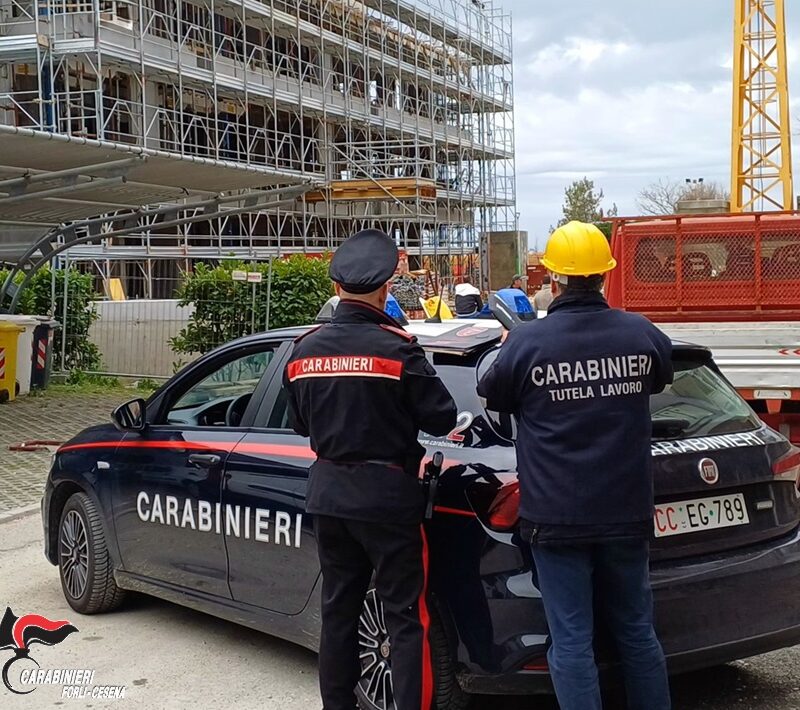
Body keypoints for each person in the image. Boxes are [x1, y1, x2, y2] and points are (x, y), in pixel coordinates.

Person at [477, 221, 673, 710]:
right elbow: (661, 377)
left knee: (571, 640)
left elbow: (491, 391)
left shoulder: (527, 344)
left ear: (554, 279)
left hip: (558, 517)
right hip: (626, 512)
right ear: (604, 276)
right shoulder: (639, 332)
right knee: (637, 633)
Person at [284, 228, 457, 710]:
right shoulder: (398, 348)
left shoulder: (303, 350)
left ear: (337, 290)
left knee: (339, 612)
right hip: (387, 501)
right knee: (405, 618)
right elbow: (442, 416)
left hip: (329, 497)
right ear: (384, 289)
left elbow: (300, 423)